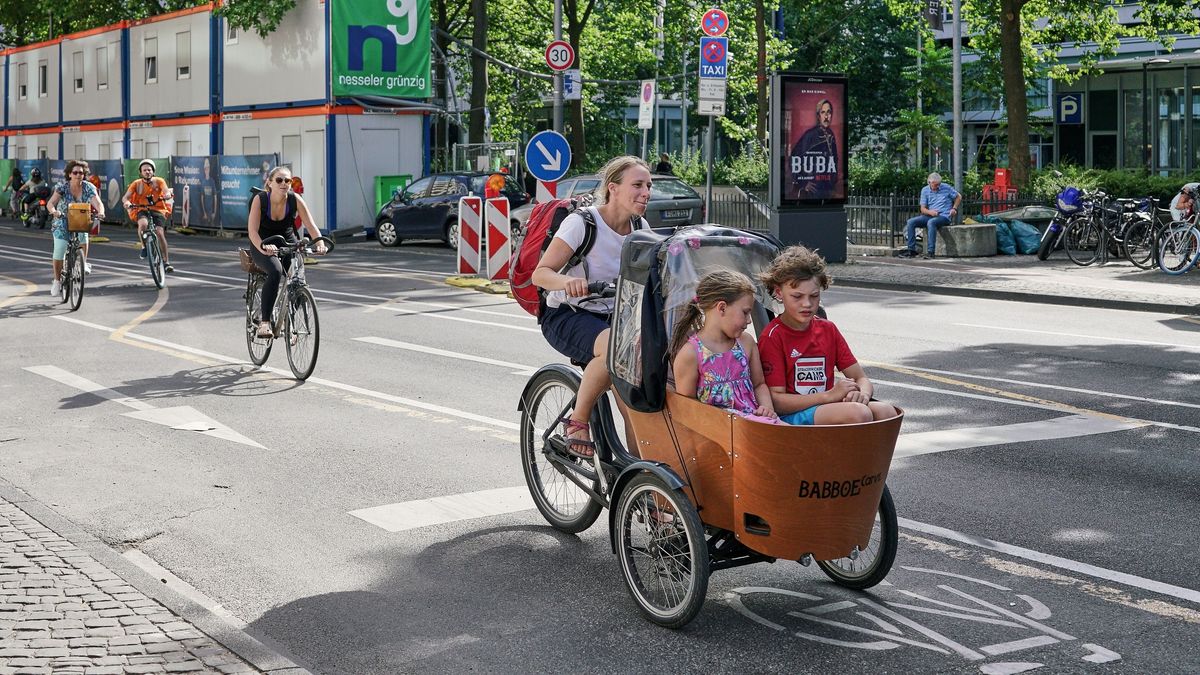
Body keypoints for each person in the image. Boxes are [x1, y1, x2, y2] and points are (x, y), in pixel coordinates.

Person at [531, 155, 651, 458]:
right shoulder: (582, 223)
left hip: (613, 318)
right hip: (567, 314)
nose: (646, 192)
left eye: (649, 186)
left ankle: (642, 486)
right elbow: (541, 273)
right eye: (637, 185)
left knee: (637, 410)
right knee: (614, 348)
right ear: (613, 188)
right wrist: (565, 283)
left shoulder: (640, 227)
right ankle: (578, 421)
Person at [757, 245, 897, 426]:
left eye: (814, 296)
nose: (807, 304)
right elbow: (776, 401)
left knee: (887, 411)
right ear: (779, 293)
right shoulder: (773, 336)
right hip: (791, 416)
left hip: (826, 405)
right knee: (858, 413)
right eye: (797, 296)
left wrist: (861, 394)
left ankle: (861, 455)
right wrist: (829, 395)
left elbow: (860, 378)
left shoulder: (828, 329)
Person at [671, 270, 780, 425]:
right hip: (719, 433)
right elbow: (688, 410)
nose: (749, 321)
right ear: (722, 308)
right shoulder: (690, 355)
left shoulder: (746, 343)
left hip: (756, 426)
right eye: (745, 312)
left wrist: (767, 408)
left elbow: (759, 384)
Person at [247, 165, 327, 338]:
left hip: (287, 241)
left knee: (297, 278)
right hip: (262, 241)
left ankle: (287, 321)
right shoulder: (260, 200)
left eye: (288, 180)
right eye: (279, 180)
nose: (284, 183)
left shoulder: (294, 199)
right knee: (275, 272)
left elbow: (311, 225)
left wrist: (319, 242)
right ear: (270, 183)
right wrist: (263, 247)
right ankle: (265, 323)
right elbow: (252, 231)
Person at [46, 160, 105, 294]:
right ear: (69, 174)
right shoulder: (62, 187)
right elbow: (50, 203)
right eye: (75, 172)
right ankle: (56, 281)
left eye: (81, 173)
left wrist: (101, 212)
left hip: (80, 218)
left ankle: (83, 262)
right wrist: (54, 212)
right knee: (59, 250)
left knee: (83, 236)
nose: (78, 175)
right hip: (62, 219)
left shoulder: (88, 187)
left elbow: (98, 202)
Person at [122, 159, 175, 273]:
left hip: (158, 209)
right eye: (145, 170)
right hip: (142, 209)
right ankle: (144, 246)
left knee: (159, 232)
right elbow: (126, 197)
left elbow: (166, 191)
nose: (147, 172)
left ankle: (166, 262)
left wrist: (167, 195)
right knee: (143, 225)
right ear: (140, 172)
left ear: (153, 171)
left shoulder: (159, 181)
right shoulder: (136, 184)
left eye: (149, 170)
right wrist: (127, 203)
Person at [901, 172, 961, 259]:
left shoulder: (946, 187)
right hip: (930, 215)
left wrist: (954, 208)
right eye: (935, 185)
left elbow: (958, 196)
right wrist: (930, 212)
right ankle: (911, 250)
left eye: (939, 184)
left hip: (944, 216)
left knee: (931, 222)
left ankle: (931, 252)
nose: (938, 186)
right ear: (929, 182)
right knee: (911, 222)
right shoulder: (925, 190)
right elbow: (923, 209)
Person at [789, 98, 839, 199]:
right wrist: (803, 182)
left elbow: (834, 161)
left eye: (829, 112)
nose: (826, 116)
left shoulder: (831, 134)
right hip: (814, 191)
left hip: (828, 190)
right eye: (823, 112)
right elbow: (793, 159)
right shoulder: (810, 135)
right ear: (818, 116)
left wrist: (833, 182)